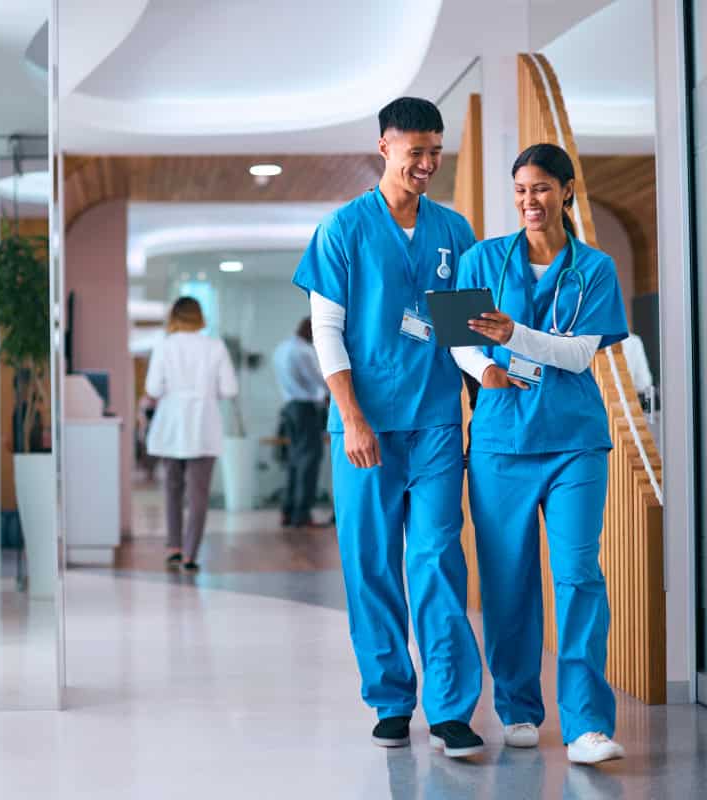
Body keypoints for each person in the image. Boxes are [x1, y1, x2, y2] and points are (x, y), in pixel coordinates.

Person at [293, 97, 484, 756]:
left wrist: (486, 382)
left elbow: (462, 334)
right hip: (364, 426)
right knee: (370, 561)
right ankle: (391, 698)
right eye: (415, 152)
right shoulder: (342, 230)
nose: (427, 164)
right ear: (385, 147)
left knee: (436, 556)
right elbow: (327, 331)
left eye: (436, 151)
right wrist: (352, 419)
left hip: (434, 420)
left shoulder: (455, 232)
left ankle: (452, 707)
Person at [454, 143, 628, 764]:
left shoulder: (595, 268)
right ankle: (518, 708)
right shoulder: (483, 259)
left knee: (579, 575)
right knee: (507, 580)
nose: (531, 201)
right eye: (522, 189)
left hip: (575, 441)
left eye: (543, 189)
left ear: (567, 191)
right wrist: (485, 367)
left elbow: (581, 354)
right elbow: (456, 340)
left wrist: (514, 337)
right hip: (501, 441)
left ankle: (587, 725)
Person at [144, 297, 238, 572]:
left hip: (172, 423)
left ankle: (173, 546)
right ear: (200, 316)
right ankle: (190, 554)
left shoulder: (164, 346)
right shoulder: (215, 346)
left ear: (174, 316)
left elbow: (153, 388)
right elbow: (230, 389)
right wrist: (208, 393)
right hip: (203, 424)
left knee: (172, 489)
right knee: (199, 494)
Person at [272, 318, 328, 527]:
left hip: (289, 408)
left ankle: (289, 510)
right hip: (305, 409)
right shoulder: (303, 351)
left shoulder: (282, 348)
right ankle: (302, 514)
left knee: (296, 460)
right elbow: (318, 378)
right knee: (309, 460)